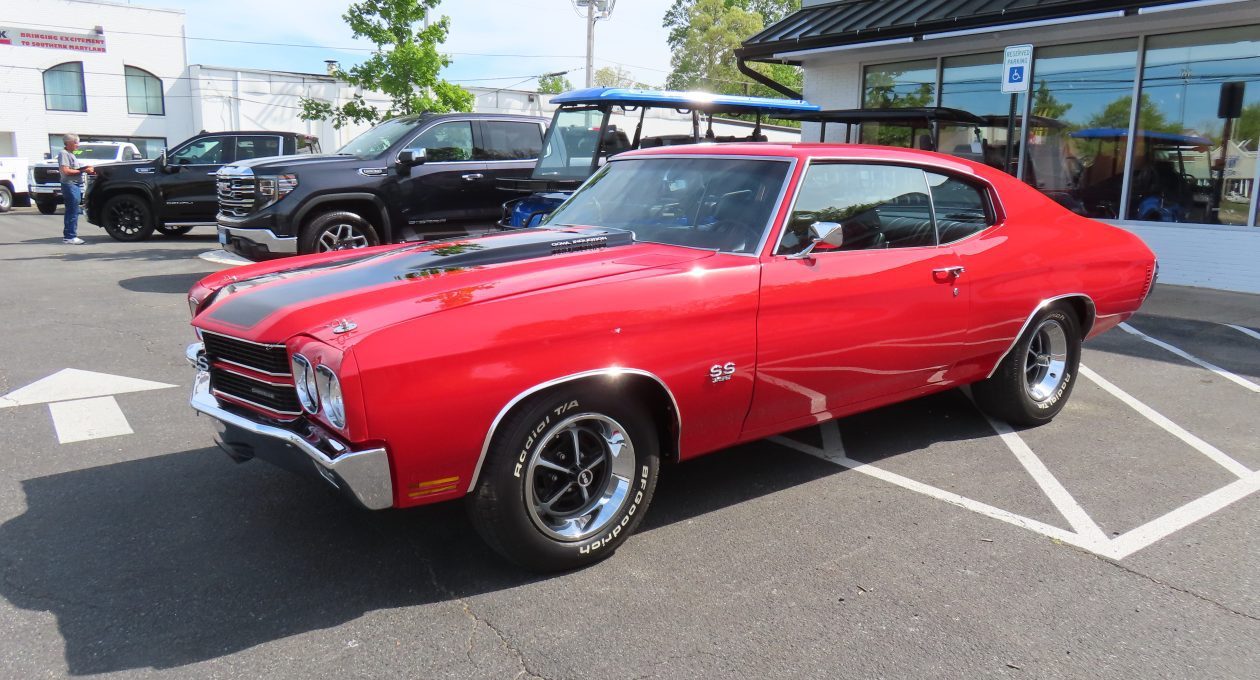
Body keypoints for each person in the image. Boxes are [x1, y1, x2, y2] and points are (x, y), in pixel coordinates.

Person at [58, 134, 94, 245]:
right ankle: (70, 236)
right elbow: (66, 171)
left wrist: (83, 168)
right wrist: (84, 170)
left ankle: (70, 236)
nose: (77, 145)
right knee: (72, 210)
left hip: (75, 185)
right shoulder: (63, 154)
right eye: (75, 142)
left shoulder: (70, 154)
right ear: (68, 143)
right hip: (70, 185)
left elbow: (73, 169)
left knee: (73, 210)